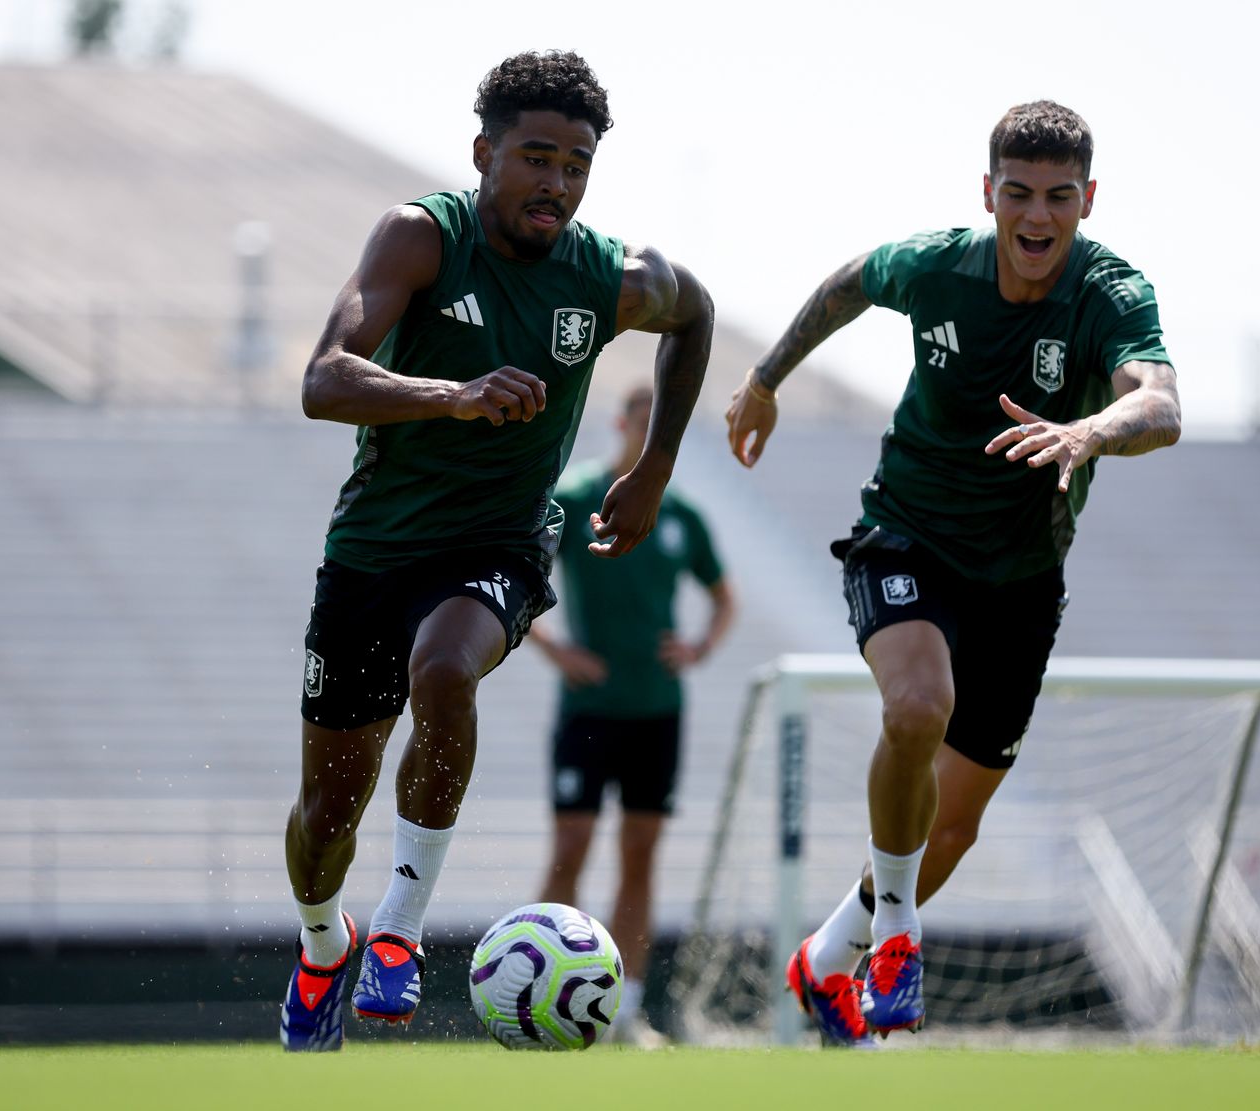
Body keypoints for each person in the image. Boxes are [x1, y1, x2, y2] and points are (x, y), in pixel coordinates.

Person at [278, 50, 714, 1052]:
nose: (555, 184)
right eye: (535, 158)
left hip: (498, 546)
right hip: (371, 554)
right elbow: (323, 378)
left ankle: (398, 929)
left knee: (445, 667)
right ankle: (321, 942)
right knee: (323, 816)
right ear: (485, 152)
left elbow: (696, 316)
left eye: (576, 164)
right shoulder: (420, 237)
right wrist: (453, 395)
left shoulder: (609, 276)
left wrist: (651, 467)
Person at [724, 100, 1180, 1043]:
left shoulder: (1111, 294)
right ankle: (896, 933)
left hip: (1023, 578)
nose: (1037, 216)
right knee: (915, 707)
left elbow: (1161, 404)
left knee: (957, 826)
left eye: (1059, 196)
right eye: (1018, 193)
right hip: (907, 538)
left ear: (1088, 199)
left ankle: (827, 958)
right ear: (989, 194)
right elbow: (851, 282)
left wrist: (1087, 431)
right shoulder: (937, 263)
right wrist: (765, 377)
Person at [530, 383, 736, 1045]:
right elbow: (517, 567)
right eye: (644, 424)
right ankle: (543, 990)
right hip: (588, 708)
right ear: (621, 423)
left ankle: (625, 1006)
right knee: (570, 848)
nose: (652, 440)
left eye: (663, 430)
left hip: (657, 709)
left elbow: (723, 596)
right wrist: (555, 648)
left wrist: (700, 645)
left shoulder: (680, 512)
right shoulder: (578, 495)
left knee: (641, 855)